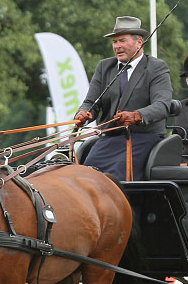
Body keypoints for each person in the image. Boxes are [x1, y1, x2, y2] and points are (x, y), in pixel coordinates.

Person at [73, 16, 173, 181]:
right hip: (109, 139)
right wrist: (83, 113)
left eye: (122, 41)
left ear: (139, 42)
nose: (117, 46)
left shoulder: (156, 67)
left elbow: (162, 105)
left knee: (115, 177)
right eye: (114, 42)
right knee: (87, 176)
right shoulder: (105, 67)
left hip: (143, 139)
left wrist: (137, 115)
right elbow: (91, 102)